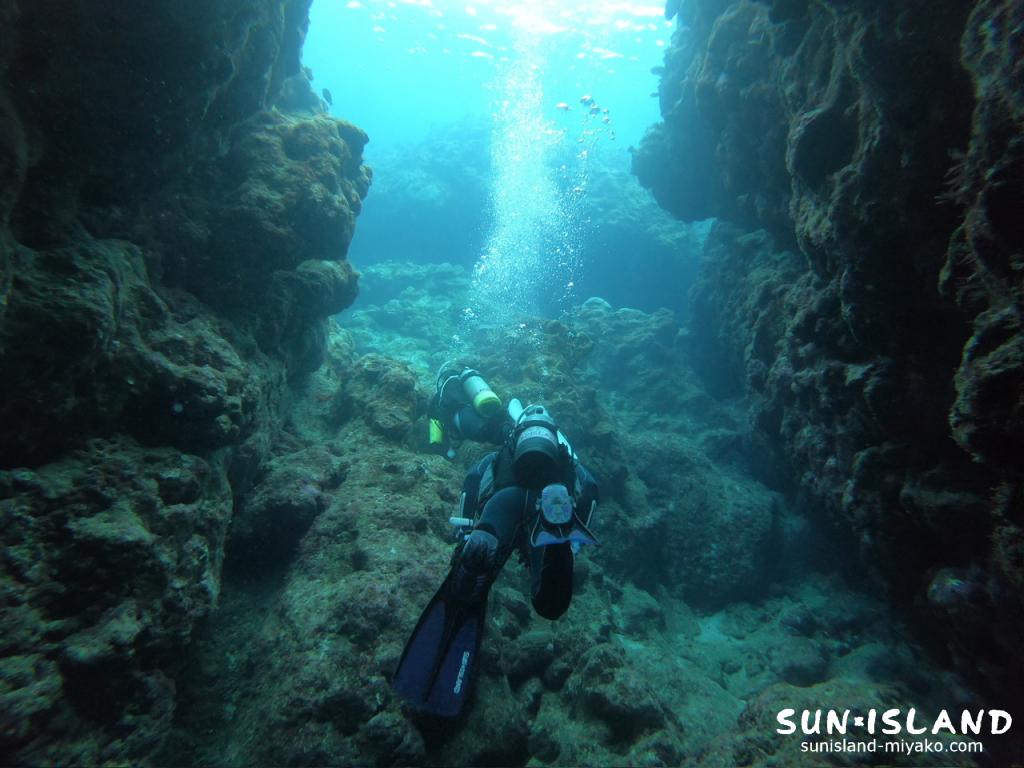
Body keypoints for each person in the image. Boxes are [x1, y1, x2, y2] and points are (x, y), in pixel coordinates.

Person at [393, 400, 599, 717]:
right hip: (546, 506)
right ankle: (557, 539)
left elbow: (474, 479)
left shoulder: (504, 450)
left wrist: (468, 528)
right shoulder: (565, 458)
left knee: (475, 567)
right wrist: (573, 543)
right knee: (549, 605)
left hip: (504, 501)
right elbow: (592, 489)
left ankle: (481, 547)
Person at [427, 362, 509, 457]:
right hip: (477, 409)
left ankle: (509, 435)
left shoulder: (443, 390)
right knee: (495, 428)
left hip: (461, 414)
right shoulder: (464, 383)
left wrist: (438, 445)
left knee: (483, 434)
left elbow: (433, 419)